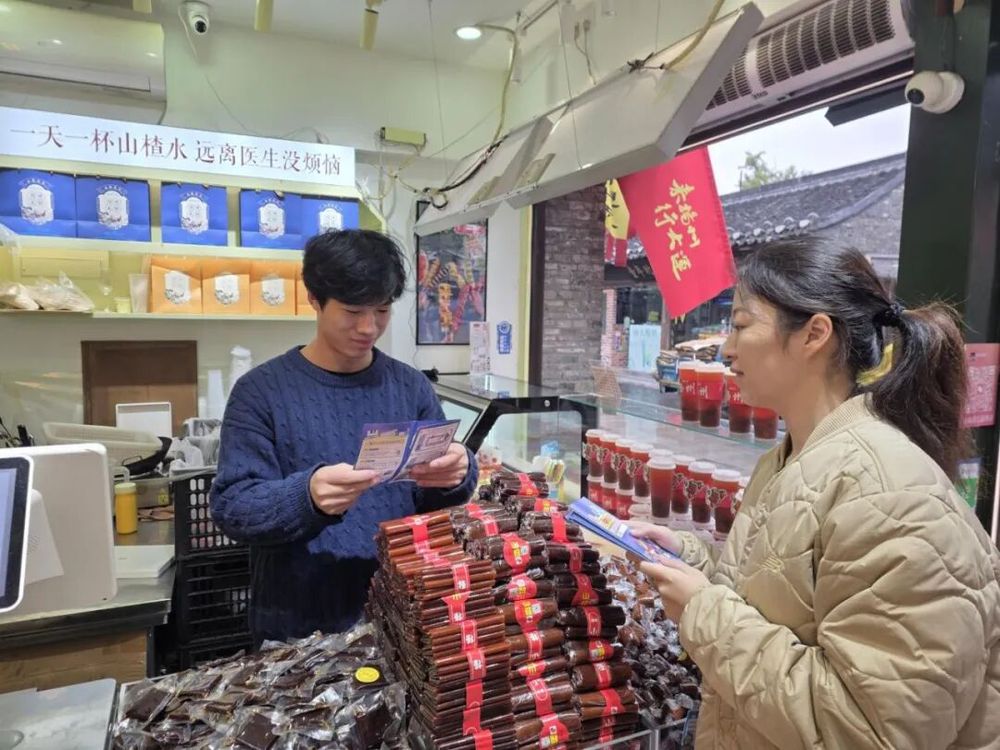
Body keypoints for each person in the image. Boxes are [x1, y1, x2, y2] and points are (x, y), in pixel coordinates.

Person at [632, 240, 1000, 749]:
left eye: (741, 325)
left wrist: (704, 612)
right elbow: (787, 603)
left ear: (815, 334)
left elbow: (871, 732)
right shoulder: (788, 459)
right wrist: (690, 562)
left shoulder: (888, 493)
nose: (726, 349)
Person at [211, 229, 478, 644]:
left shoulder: (410, 387)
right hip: (298, 625)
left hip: (401, 618)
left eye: (382, 310)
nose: (369, 327)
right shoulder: (260, 392)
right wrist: (306, 497)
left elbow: (432, 501)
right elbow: (233, 508)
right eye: (353, 311)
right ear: (314, 299)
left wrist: (457, 474)